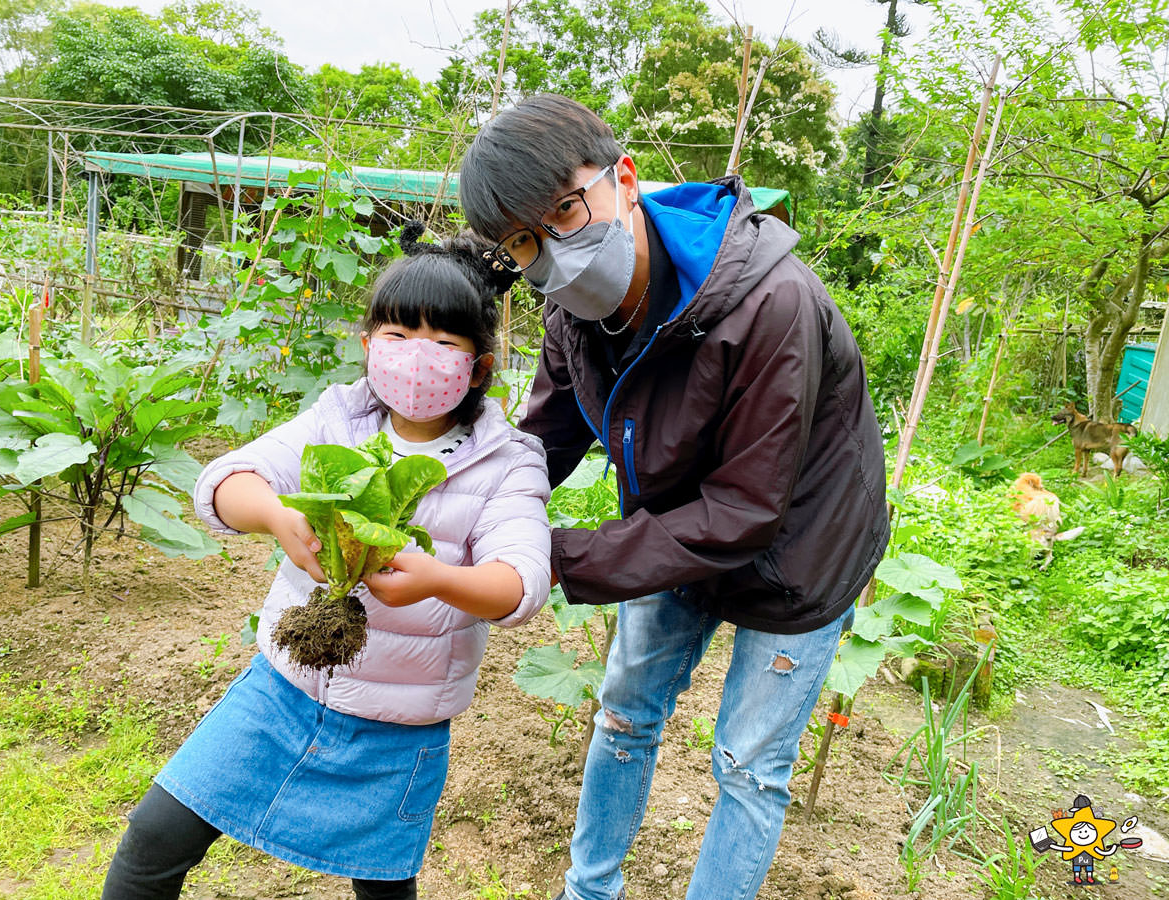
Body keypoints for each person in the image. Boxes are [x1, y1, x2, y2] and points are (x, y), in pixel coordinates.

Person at [457, 94, 889, 900]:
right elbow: (544, 440)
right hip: (673, 529)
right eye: (524, 241)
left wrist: (547, 558)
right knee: (623, 713)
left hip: (804, 545)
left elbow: (745, 512)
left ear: (624, 176)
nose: (554, 251)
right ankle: (589, 892)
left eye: (563, 211)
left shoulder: (770, 305)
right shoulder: (573, 312)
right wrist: (460, 511)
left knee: (749, 766)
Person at [101, 225, 551, 900]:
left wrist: (436, 580)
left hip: (399, 731)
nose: (415, 357)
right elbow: (229, 479)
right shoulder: (339, 417)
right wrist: (278, 517)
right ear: (369, 346)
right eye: (397, 336)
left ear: (480, 366)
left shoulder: (507, 461)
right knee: (155, 838)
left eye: (442, 342)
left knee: (381, 889)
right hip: (279, 691)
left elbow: (520, 582)